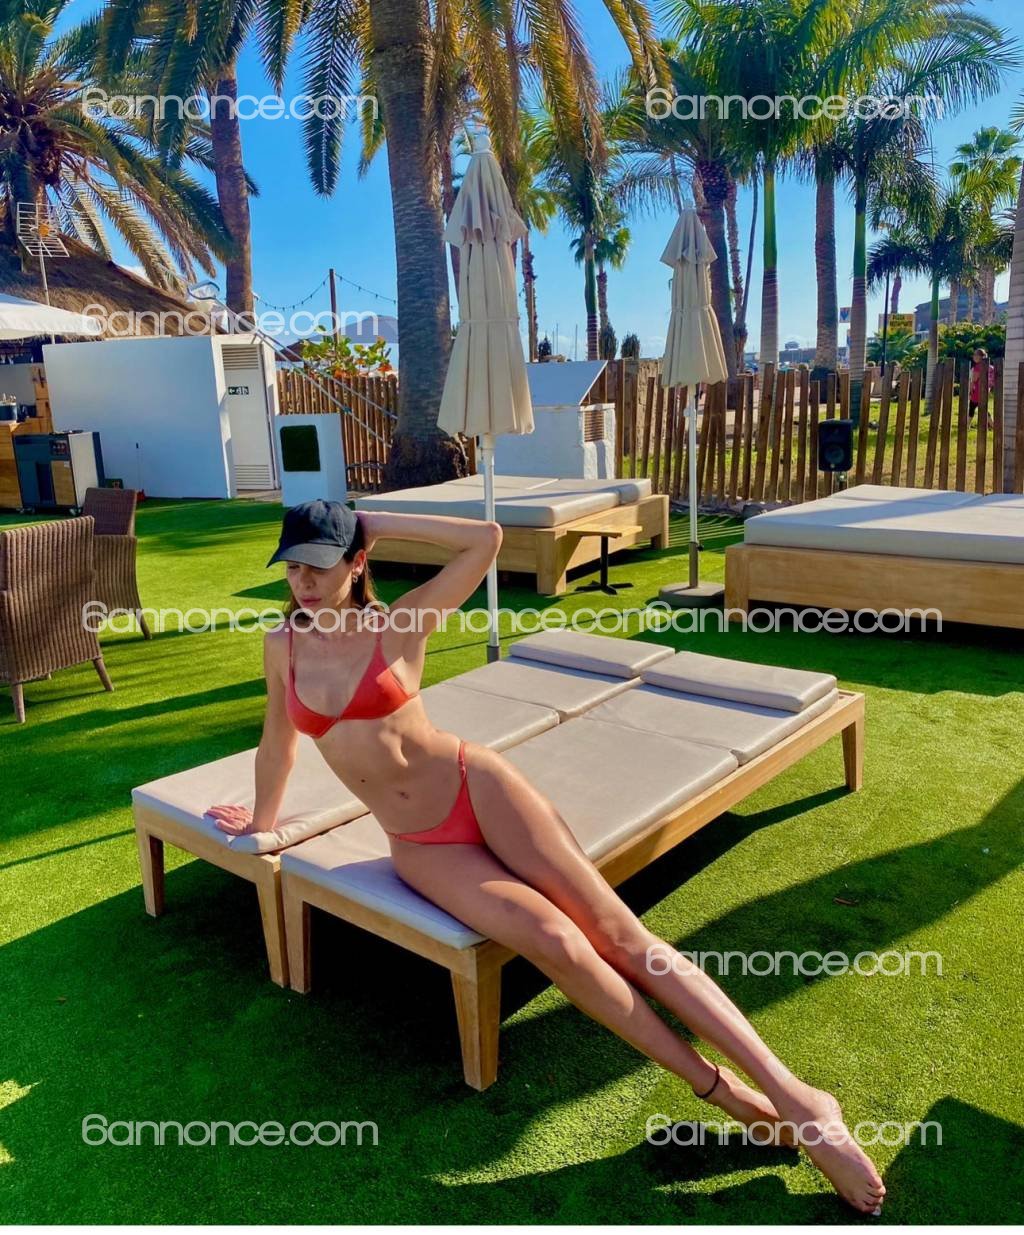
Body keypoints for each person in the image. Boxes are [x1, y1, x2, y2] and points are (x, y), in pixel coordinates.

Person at [206, 499, 886, 1215]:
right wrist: (261, 823)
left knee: (621, 936)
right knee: (557, 942)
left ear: (355, 563)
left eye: (319, 564)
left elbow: (485, 541)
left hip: (477, 785)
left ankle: (799, 1099)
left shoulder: (399, 623)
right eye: (292, 566)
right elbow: (277, 743)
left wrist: (377, 520)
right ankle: (726, 1094)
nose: (304, 581)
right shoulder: (282, 645)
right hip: (423, 845)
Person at [969, 349, 994, 427]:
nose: (974, 356)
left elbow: (974, 380)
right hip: (985, 390)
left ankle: (966, 425)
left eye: (976, 355)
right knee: (983, 408)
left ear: (981, 356)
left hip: (977, 391)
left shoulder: (977, 367)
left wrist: (970, 391)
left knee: (972, 408)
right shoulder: (989, 366)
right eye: (974, 355)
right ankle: (992, 424)